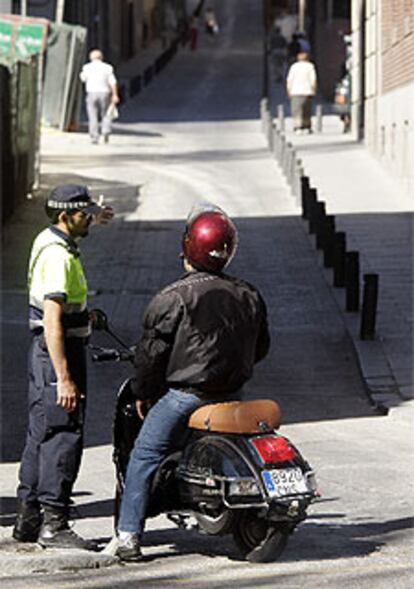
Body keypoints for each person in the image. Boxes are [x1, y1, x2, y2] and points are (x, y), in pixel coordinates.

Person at [107, 205, 270, 561]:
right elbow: (261, 347)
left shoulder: (173, 298)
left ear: (188, 247)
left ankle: (128, 537)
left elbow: (151, 358)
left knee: (145, 454)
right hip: (233, 396)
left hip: (187, 396)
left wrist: (142, 392)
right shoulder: (250, 294)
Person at [13, 184, 114, 549]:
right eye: (83, 213)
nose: (88, 217)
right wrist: (64, 378)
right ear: (63, 216)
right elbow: (53, 321)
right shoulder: (58, 257)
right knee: (64, 432)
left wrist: (86, 315)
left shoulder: (49, 238)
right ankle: (55, 524)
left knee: (40, 431)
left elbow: (61, 313)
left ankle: (28, 518)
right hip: (58, 353)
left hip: (44, 353)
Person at [80, 49, 120, 144]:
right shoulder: (107, 68)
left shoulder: (87, 67)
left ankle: (94, 136)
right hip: (105, 93)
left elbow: (83, 78)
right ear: (101, 57)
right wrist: (115, 95)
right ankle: (105, 131)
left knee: (92, 115)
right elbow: (113, 82)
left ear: (91, 58)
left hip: (91, 93)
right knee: (106, 114)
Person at [286, 51, 317, 134]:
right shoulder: (310, 66)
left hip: (295, 91)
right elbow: (313, 79)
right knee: (306, 110)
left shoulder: (294, 67)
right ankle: (306, 126)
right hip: (307, 91)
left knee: (296, 110)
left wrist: (289, 90)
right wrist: (313, 89)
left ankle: (297, 126)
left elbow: (289, 80)